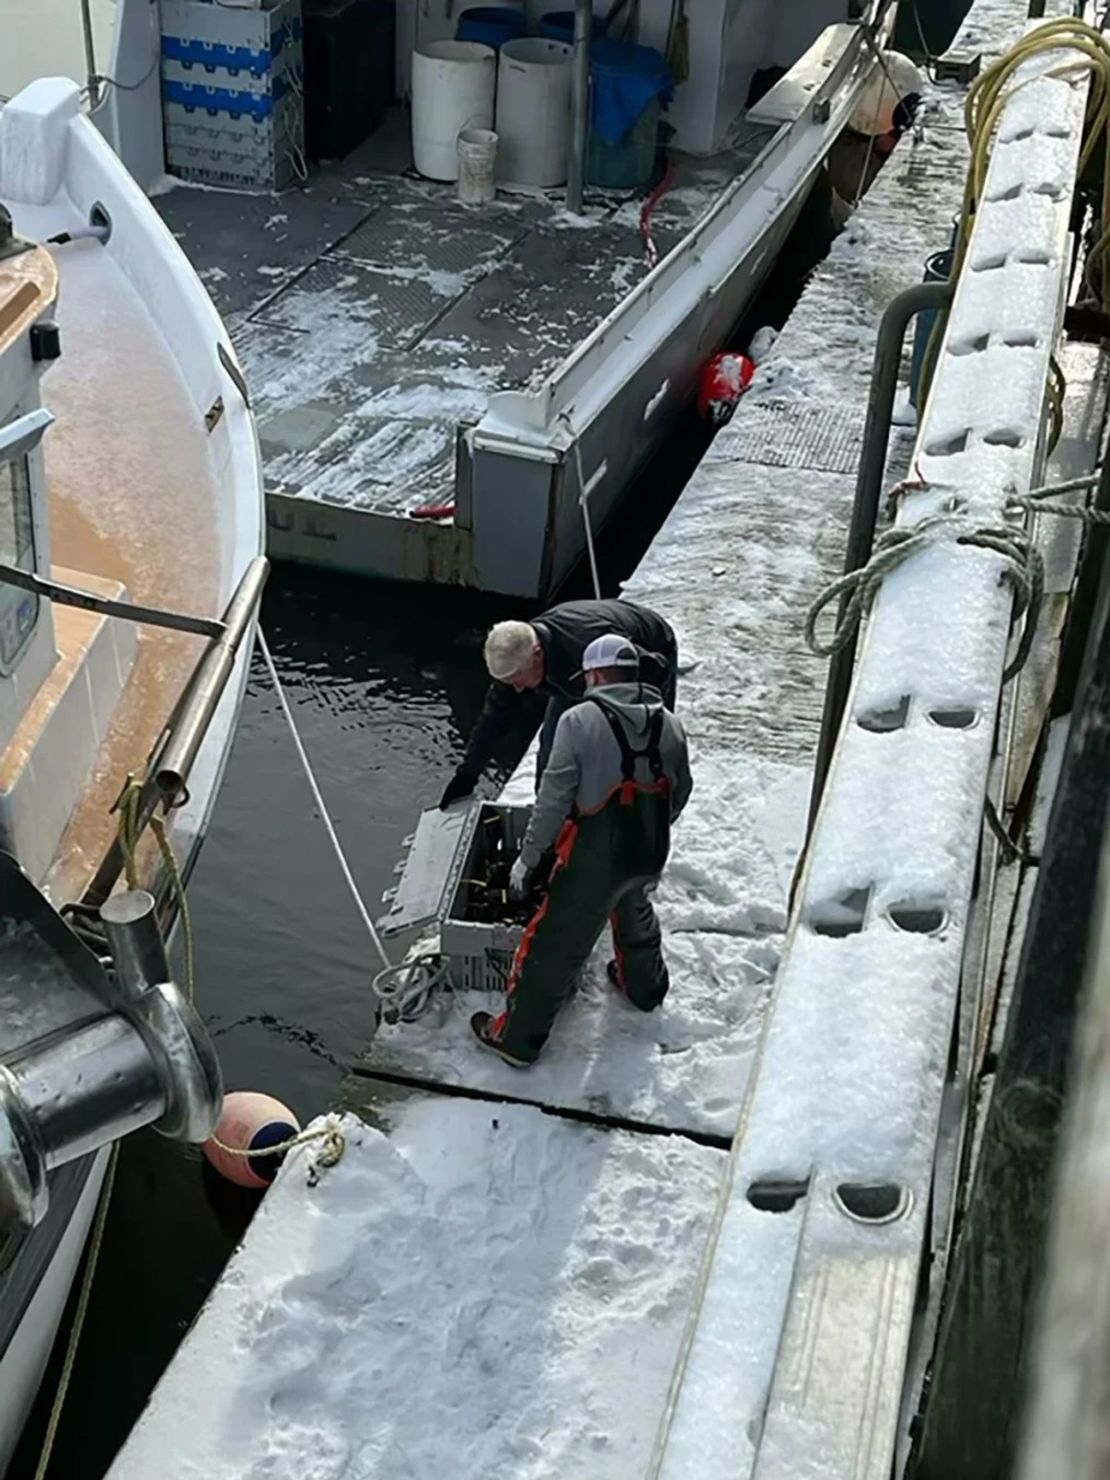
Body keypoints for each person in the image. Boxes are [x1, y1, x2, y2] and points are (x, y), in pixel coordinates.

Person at [470, 633, 693, 1068]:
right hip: (649, 849)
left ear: (593, 674)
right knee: (635, 911)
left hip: (595, 860)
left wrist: (529, 858)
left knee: (554, 944)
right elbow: (680, 791)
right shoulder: (670, 723)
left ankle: (517, 1040)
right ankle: (645, 988)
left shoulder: (578, 721)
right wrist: (647, 830)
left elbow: (554, 799)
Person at [439, 598, 678, 809]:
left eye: (518, 680)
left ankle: (640, 811)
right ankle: (549, 815)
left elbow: (656, 669)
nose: (517, 689)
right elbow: (493, 720)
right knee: (551, 749)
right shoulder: (517, 659)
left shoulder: (590, 646)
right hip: (570, 675)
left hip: (648, 654)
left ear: (537, 654)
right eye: (508, 682)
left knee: (633, 751)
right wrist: (467, 776)